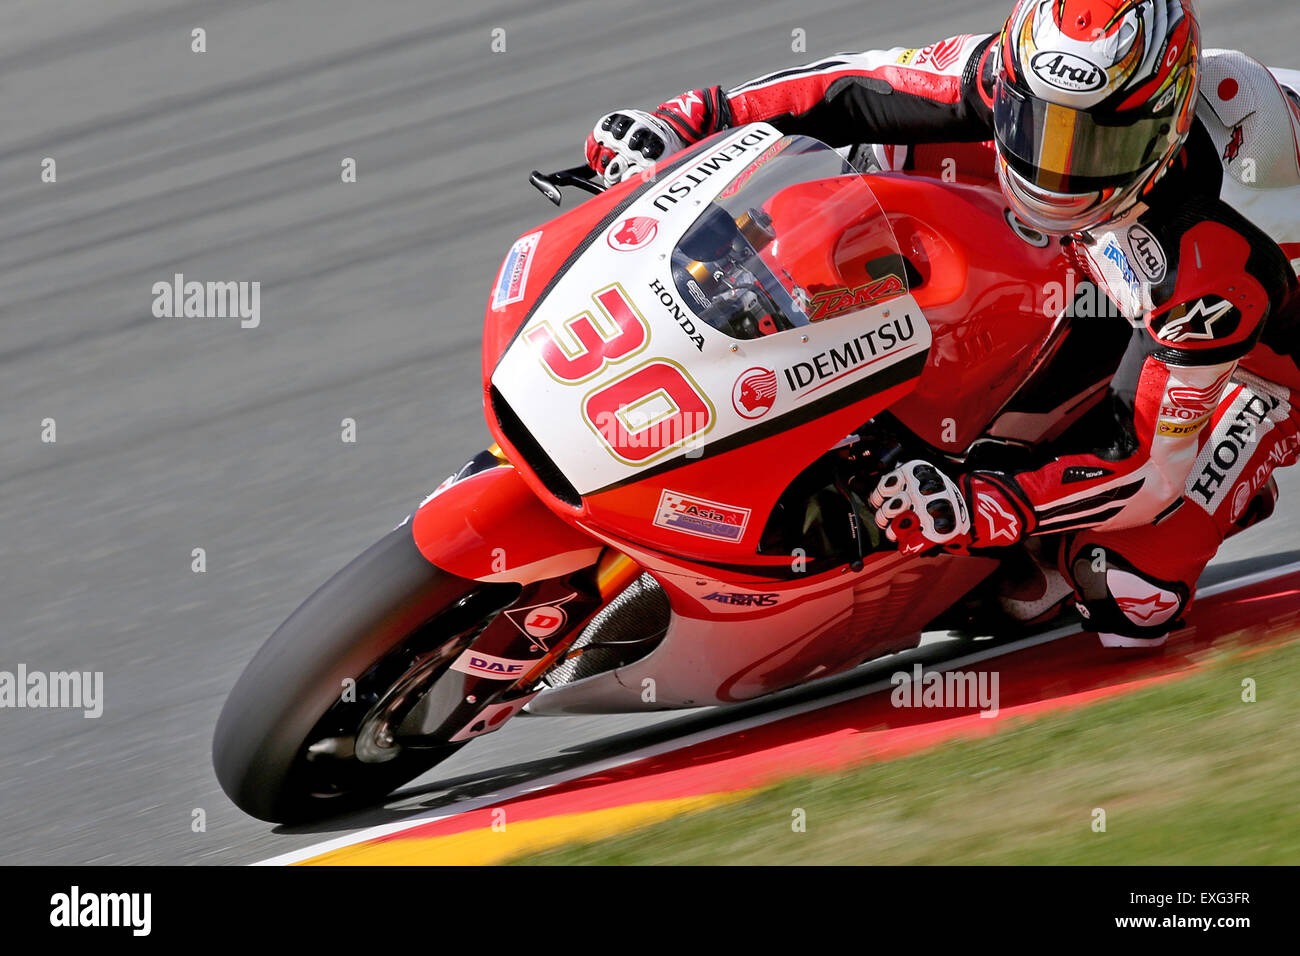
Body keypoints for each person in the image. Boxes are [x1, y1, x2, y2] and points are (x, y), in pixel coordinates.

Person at [582, 0, 1300, 646]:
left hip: (1258, 362)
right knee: (886, 153)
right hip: (1118, 259)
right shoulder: (1009, 71)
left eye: (1095, 147)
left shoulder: (1211, 264)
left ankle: (1054, 550)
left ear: (1164, 129)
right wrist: (691, 119)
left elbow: (1146, 466)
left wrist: (984, 506)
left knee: (1129, 589)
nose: (1055, 168)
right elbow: (852, 89)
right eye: (1037, 127)